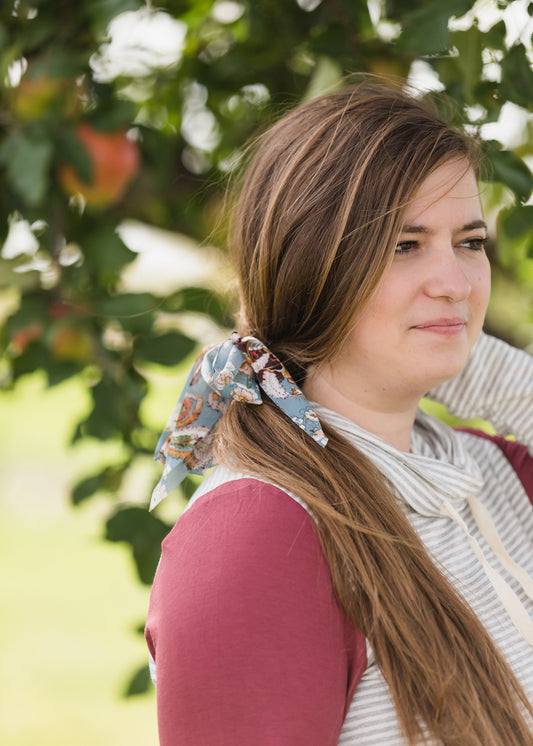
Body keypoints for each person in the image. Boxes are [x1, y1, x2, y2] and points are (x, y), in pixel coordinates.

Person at [145, 82, 533, 745]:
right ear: (310, 266)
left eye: (468, 242)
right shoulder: (257, 536)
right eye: (403, 245)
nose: (458, 281)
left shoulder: (494, 470)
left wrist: (454, 349)